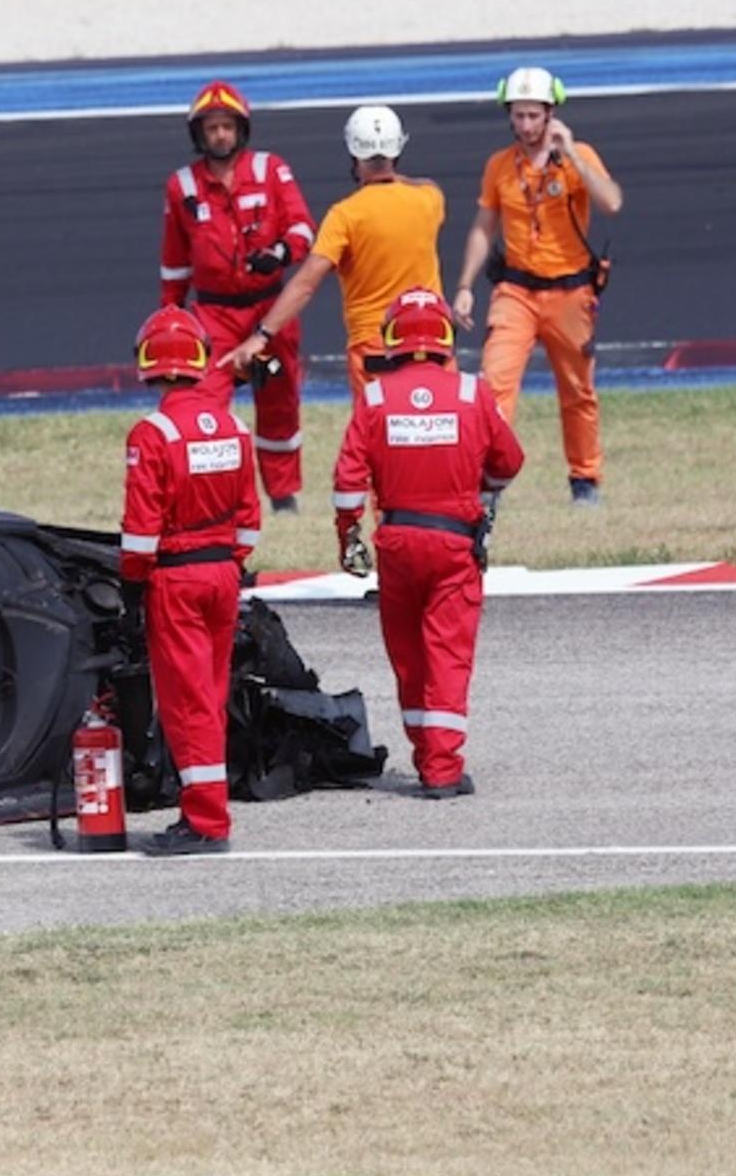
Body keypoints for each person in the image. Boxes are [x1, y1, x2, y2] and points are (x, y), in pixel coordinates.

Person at [332, 288, 523, 799]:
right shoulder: (471, 393)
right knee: (448, 654)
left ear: (392, 338)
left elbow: (347, 481)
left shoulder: (375, 398)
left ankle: (426, 755)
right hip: (454, 545)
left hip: (397, 544)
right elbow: (509, 462)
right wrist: (482, 487)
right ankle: (442, 769)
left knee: (409, 655)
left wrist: (348, 535)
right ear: (445, 338)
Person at [120, 305, 261, 854]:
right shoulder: (234, 427)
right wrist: (229, 563)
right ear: (200, 358)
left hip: (176, 581)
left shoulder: (151, 434)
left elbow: (141, 531)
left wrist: (133, 585)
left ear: (148, 362)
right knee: (212, 695)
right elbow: (249, 519)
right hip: (222, 574)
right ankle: (205, 809)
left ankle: (205, 821)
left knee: (187, 703)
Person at [449, 67, 622, 507]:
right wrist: (465, 284)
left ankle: (585, 478)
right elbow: (484, 227)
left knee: (577, 390)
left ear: (550, 114)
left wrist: (573, 155)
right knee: (494, 384)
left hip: (571, 291)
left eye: (533, 115)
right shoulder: (500, 165)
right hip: (516, 291)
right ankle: (489, 482)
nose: (526, 125)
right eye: (518, 115)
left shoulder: (577, 155)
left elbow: (611, 202)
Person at [158, 79, 316, 512]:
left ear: (241, 129)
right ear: (199, 134)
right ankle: (207, 493)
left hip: (272, 313)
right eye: (211, 128)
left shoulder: (271, 170)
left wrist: (280, 253)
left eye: (227, 126)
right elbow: (174, 262)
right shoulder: (182, 187)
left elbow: (303, 228)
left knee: (280, 402)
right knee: (201, 401)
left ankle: (283, 496)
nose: (220, 135)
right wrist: (170, 318)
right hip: (213, 317)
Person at [221, 105, 444, 405]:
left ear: (353, 153)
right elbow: (424, 183)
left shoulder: (345, 216)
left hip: (376, 347)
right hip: (433, 340)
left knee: (378, 431)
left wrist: (261, 335)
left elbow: (306, 283)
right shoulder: (429, 200)